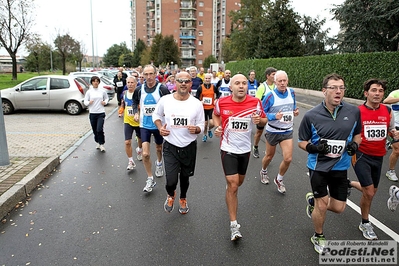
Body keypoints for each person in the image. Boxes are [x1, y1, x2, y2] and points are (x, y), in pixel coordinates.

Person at [298, 73, 361, 254]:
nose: (338, 91)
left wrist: (355, 145)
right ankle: (318, 235)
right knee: (322, 205)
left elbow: (358, 134)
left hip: (341, 167)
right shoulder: (311, 115)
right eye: (334, 87)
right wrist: (314, 148)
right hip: (318, 166)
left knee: (339, 208)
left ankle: (311, 200)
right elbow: (301, 142)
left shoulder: (353, 111)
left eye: (341, 88)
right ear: (324, 90)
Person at [213, 73, 267, 241]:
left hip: (245, 150)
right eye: (237, 83)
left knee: (238, 183)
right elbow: (216, 115)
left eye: (244, 83)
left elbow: (264, 120)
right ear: (231, 87)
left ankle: (230, 190)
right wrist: (217, 126)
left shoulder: (255, 102)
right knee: (234, 185)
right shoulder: (222, 102)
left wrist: (260, 120)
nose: (241, 86)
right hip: (228, 148)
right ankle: (234, 225)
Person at [347, 79, 397, 240]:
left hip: (378, 156)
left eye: (381, 91)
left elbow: (390, 130)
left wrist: (394, 134)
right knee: (369, 192)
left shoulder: (387, 110)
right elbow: (349, 132)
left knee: (371, 192)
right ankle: (365, 222)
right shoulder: (357, 111)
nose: (377, 93)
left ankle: (348, 183)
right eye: (374, 90)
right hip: (361, 155)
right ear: (366, 93)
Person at [153, 71, 205, 214]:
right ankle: (171, 194)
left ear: (190, 84)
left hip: (189, 146)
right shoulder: (165, 100)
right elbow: (156, 115)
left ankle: (183, 198)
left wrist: (197, 129)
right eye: (180, 80)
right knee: (170, 180)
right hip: (170, 145)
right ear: (174, 82)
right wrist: (159, 128)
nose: (183, 83)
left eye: (186, 81)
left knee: (184, 177)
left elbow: (202, 125)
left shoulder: (196, 104)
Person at [132, 64, 171, 193]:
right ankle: (150, 178)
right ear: (143, 75)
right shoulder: (139, 89)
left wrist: (167, 112)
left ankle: (159, 163)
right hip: (144, 125)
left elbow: (170, 103)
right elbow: (134, 101)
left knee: (159, 148)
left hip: (159, 125)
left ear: (155, 75)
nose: (148, 77)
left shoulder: (162, 89)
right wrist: (136, 112)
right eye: (146, 74)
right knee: (145, 153)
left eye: (151, 74)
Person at [259, 70, 299, 191]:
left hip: (287, 131)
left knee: (288, 158)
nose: (282, 83)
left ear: (287, 81)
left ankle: (279, 179)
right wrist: (273, 116)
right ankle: (263, 171)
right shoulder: (270, 96)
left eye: (284, 80)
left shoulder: (292, 92)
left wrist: (295, 112)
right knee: (269, 156)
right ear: (275, 82)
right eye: (279, 81)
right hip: (273, 131)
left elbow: (293, 106)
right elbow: (261, 113)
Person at [119, 76, 143, 170]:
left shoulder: (140, 94)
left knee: (140, 139)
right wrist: (121, 110)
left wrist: (139, 108)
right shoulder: (124, 93)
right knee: (127, 142)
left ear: (136, 83)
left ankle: (140, 149)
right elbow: (123, 103)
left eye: (132, 82)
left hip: (139, 121)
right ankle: (130, 161)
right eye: (128, 82)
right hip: (127, 121)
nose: (130, 84)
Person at [253, 67, 277, 158]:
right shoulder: (262, 87)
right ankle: (255, 146)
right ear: (268, 76)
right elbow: (257, 101)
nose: (275, 76)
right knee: (259, 132)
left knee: (270, 133)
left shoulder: (276, 86)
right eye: (273, 74)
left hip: (274, 114)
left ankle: (268, 152)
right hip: (263, 114)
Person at [84, 76, 109, 152]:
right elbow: (85, 101)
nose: (96, 82)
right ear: (92, 82)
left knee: (99, 129)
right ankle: (97, 141)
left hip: (100, 112)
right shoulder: (89, 92)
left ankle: (102, 144)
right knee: (95, 130)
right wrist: (89, 102)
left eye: (97, 81)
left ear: (99, 82)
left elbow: (107, 98)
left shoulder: (102, 91)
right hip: (92, 113)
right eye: (94, 81)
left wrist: (105, 102)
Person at [195, 73, 220, 142]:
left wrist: (216, 99)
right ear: (204, 79)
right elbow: (196, 97)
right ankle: (205, 135)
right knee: (205, 124)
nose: (207, 80)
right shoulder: (200, 88)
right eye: (206, 78)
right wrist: (200, 101)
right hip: (203, 108)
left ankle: (209, 130)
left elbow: (218, 94)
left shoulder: (213, 87)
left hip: (211, 107)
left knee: (212, 123)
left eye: (209, 78)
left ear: (210, 79)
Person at [383, 89, 399, 181]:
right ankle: (391, 171)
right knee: (397, 150)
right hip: (395, 127)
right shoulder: (396, 93)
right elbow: (386, 101)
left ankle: (389, 144)